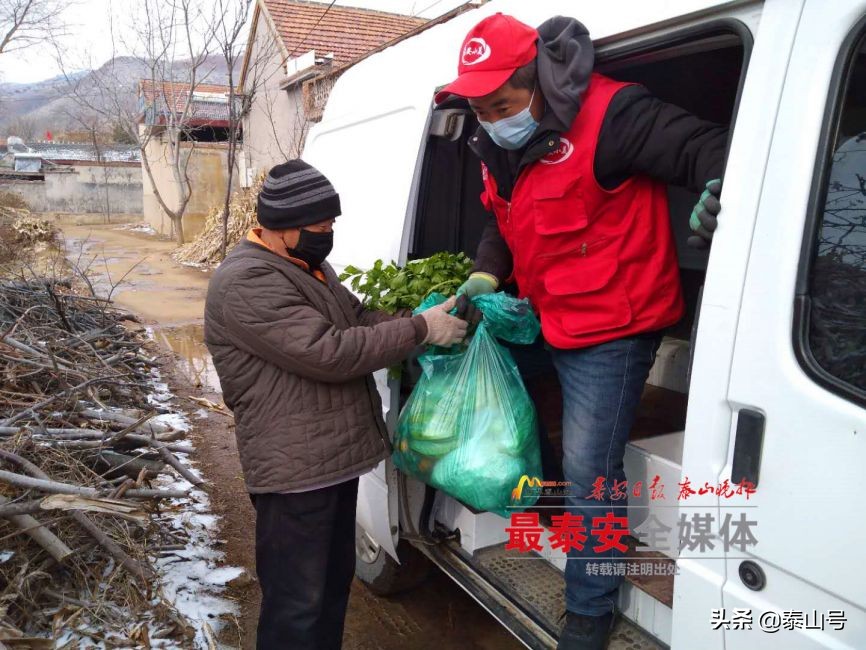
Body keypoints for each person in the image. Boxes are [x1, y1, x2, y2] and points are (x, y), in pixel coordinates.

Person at [435, 13, 727, 650]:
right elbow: (502, 222)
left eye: (501, 105)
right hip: (548, 312)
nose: (491, 120)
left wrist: (722, 188)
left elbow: (708, 147)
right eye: (478, 110)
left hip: (616, 324)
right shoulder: (495, 144)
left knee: (591, 466)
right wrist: (486, 274)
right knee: (502, 394)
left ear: (538, 81)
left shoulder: (614, 115)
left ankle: (590, 610)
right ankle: (547, 507)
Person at [203, 159, 467, 649]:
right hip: (294, 472)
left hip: (328, 462)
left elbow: (357, 319)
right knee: (297, 606)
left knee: (328, 590)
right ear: (283, 226)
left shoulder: (306, 266)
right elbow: (329, 352)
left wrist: (418, 316)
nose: (328, 234)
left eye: (331, 224)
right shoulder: (246, 280)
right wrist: (419, 330)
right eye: (321, 226)